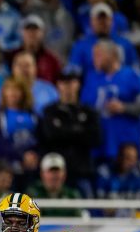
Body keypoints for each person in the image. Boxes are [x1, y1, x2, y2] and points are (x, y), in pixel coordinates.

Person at [81, 40, 140, 163]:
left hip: (126, 145)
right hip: (99, 146)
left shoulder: (132, 75)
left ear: (112, 55)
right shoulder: (91, 78)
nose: (94, 59)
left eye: (98, 55)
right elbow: (84, 107)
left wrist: (124, 107)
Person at [37, 65, 101, 193]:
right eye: (64, 82)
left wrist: (63, 130)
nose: (68, 86)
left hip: (82, 171)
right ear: (58, 85)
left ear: (78, 84)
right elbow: (49, 135)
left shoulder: (89, 112)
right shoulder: (50, 111)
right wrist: (79, 130)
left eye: (72, 82)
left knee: (85, 210)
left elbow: (96, 138)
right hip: (55, 173)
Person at [69, 3, 140, 78]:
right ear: (91, 22)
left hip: (123, 85)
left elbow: (136, 70)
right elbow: (73, 72)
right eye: (99, 19)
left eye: (105, 19)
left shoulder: (125, 44)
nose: (102, 22)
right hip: (93, 86)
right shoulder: (81, 46)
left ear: (112, 21)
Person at [26, 153, 85, 218]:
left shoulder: (72, 195)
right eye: (50, 171)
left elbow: (80, 221)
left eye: (57, 171)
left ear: (64, 173)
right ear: (42, 173)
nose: (54, 176)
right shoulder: (33, 194)